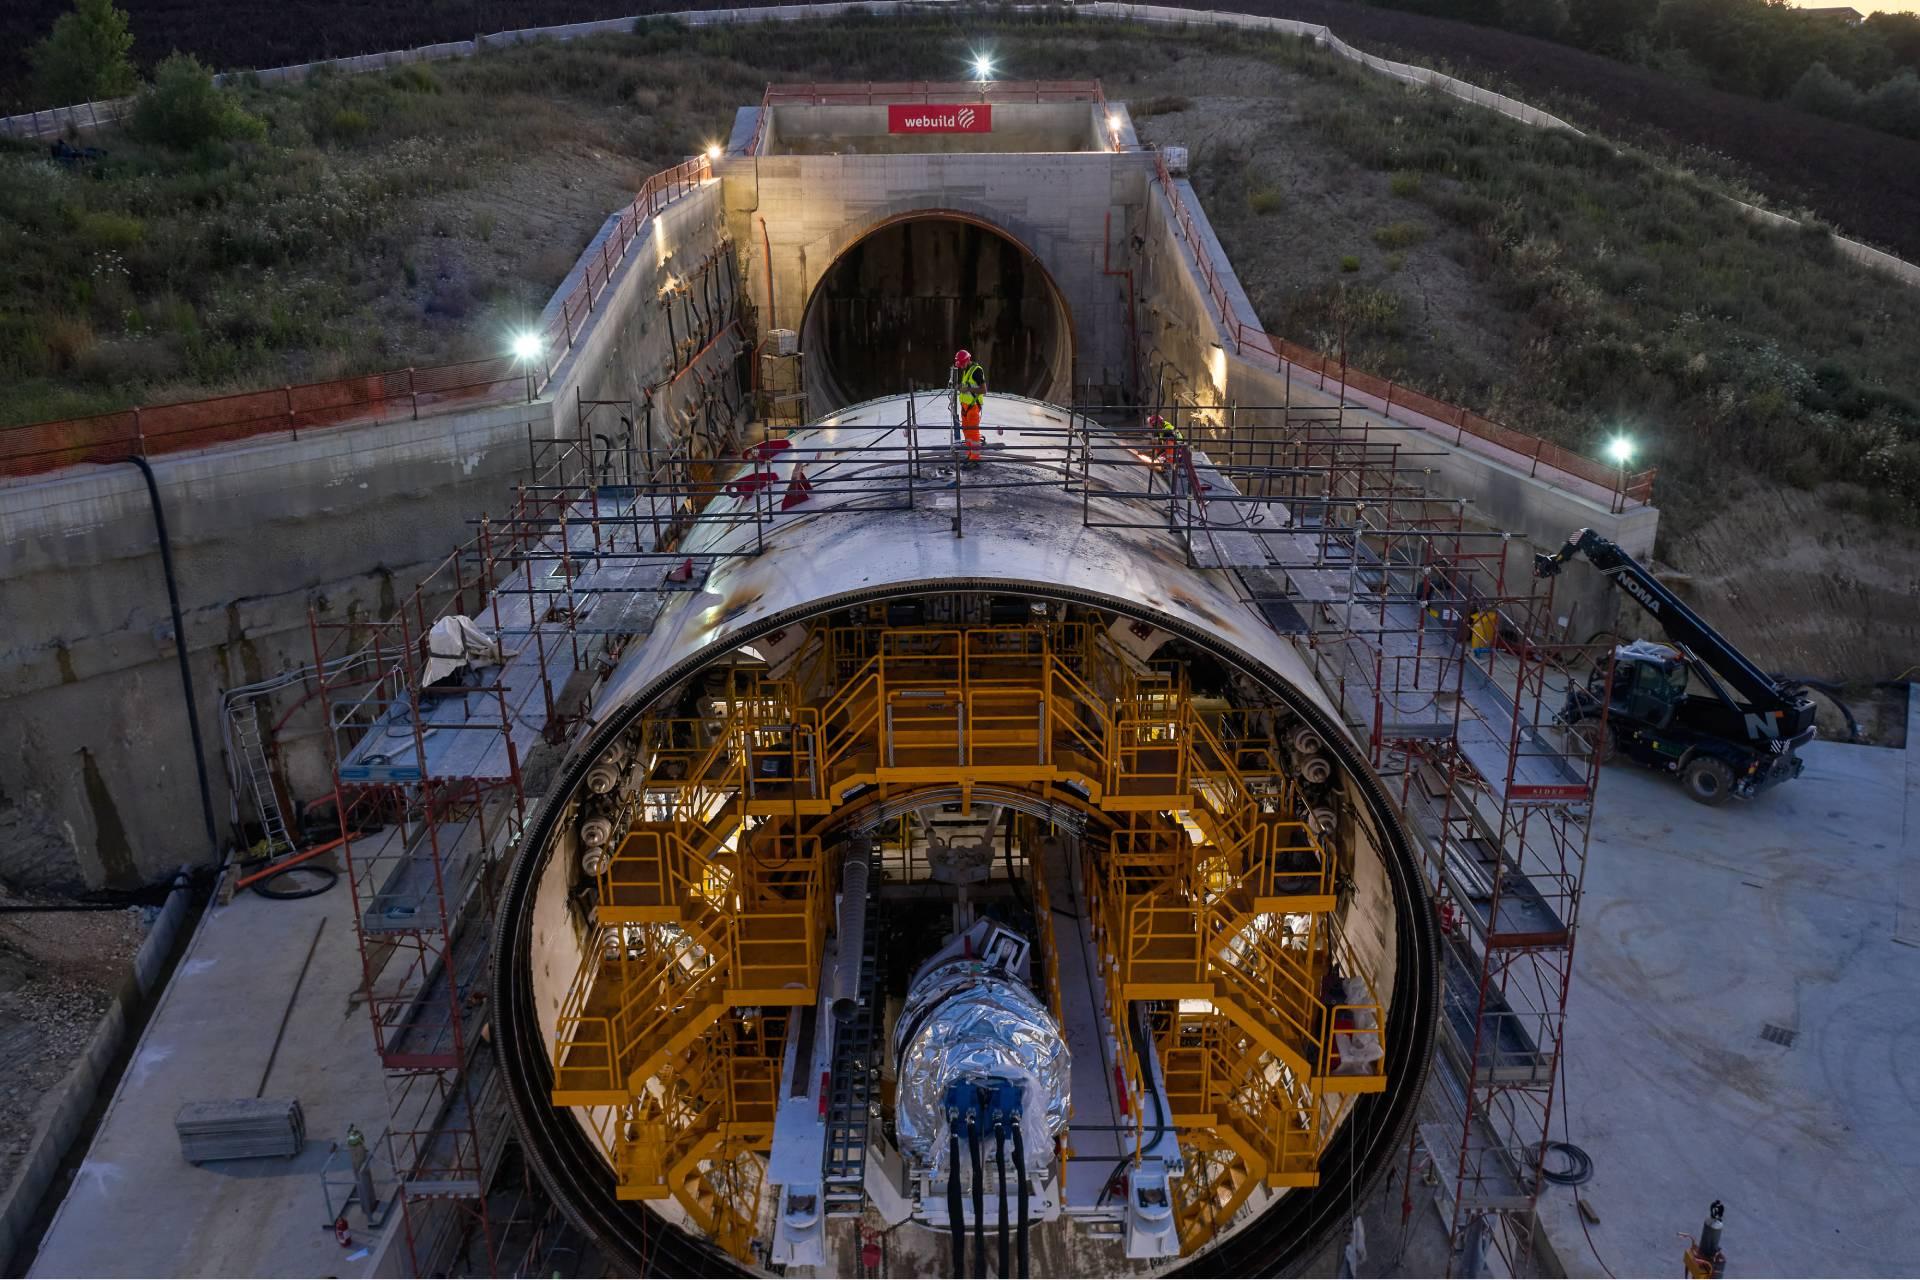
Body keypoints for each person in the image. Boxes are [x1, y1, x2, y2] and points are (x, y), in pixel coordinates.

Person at [953, 349, 987, 467]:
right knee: (966, 432)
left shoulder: (976, 371)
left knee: (973, 433)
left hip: (973, 407)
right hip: (965, 407)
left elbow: (984, 390)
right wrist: (960, 387)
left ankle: (975, 459)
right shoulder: (966, 370)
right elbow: (968, 385)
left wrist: (967, 389)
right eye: (960, 364)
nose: (961, 366)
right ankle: (970, 455)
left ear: (967, 360)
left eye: (962, 364)